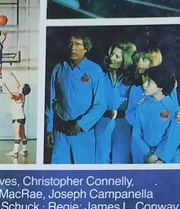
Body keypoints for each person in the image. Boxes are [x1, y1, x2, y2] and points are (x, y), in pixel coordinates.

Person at [46, 32, 109, 164]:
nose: (73, 48)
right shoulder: (59, 69)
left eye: (78, 44)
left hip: (82, 134)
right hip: (60, 133)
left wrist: (80, 125)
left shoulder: (94, 70)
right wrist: (49, 129)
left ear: (86, 48)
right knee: (59, 173)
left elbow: (100, 105)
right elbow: (50, 101)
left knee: (83, 172)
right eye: (70, 43)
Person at [129, 65, 180, 164]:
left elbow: (174, 137)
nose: (144, 84)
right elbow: (136, 134)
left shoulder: (173, 109)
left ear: (161, 86)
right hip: (144, 158)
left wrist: (158, 157)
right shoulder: (141, 107)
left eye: (149, 82)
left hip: (166, 159)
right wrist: (147, 155)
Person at [94, 42, 136, 163]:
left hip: (124, 125)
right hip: (102, 122)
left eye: (117, 56)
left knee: (121, 161)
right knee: (101, 160)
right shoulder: (100, 75)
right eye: (112, 54)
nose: (111, 58)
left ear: (125, 60)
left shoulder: (132, 80)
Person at [2, 70, 30, 160]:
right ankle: (24, 151)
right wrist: (13, 76)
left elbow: (11, 96)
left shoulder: (19, 96)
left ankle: (15, 152)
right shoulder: (23, 94)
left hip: (17, 118)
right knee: (22, 134)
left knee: (17, 135)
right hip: (22, 117)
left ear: (22, 89)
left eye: (22, 86)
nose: (20, 85)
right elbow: (18, 85)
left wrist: (4, 87)